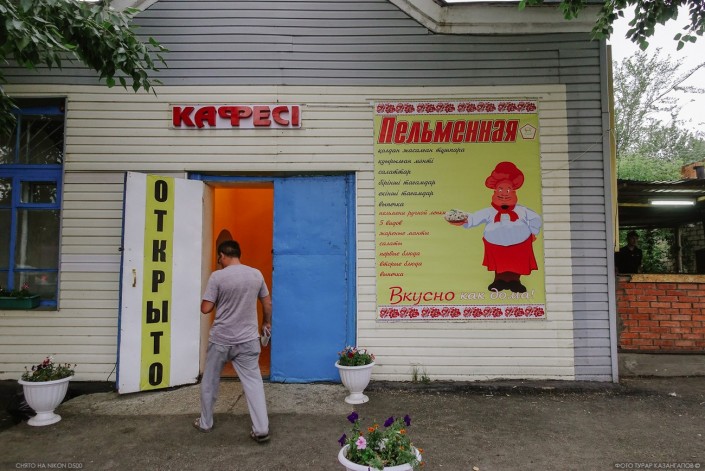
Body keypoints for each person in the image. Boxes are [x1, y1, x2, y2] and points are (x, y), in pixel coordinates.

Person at [193, 240, 273, 443]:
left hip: (221, 339)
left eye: (219, 258)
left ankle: (205, 423)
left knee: (210, 381)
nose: (219, 261)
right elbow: (267, 303)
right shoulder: (256, 274)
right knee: (254, 383)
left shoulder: (217, 277)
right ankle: (261, 429)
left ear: (222, 255)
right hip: (248, 340)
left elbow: (205, 308)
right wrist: (266, 322)